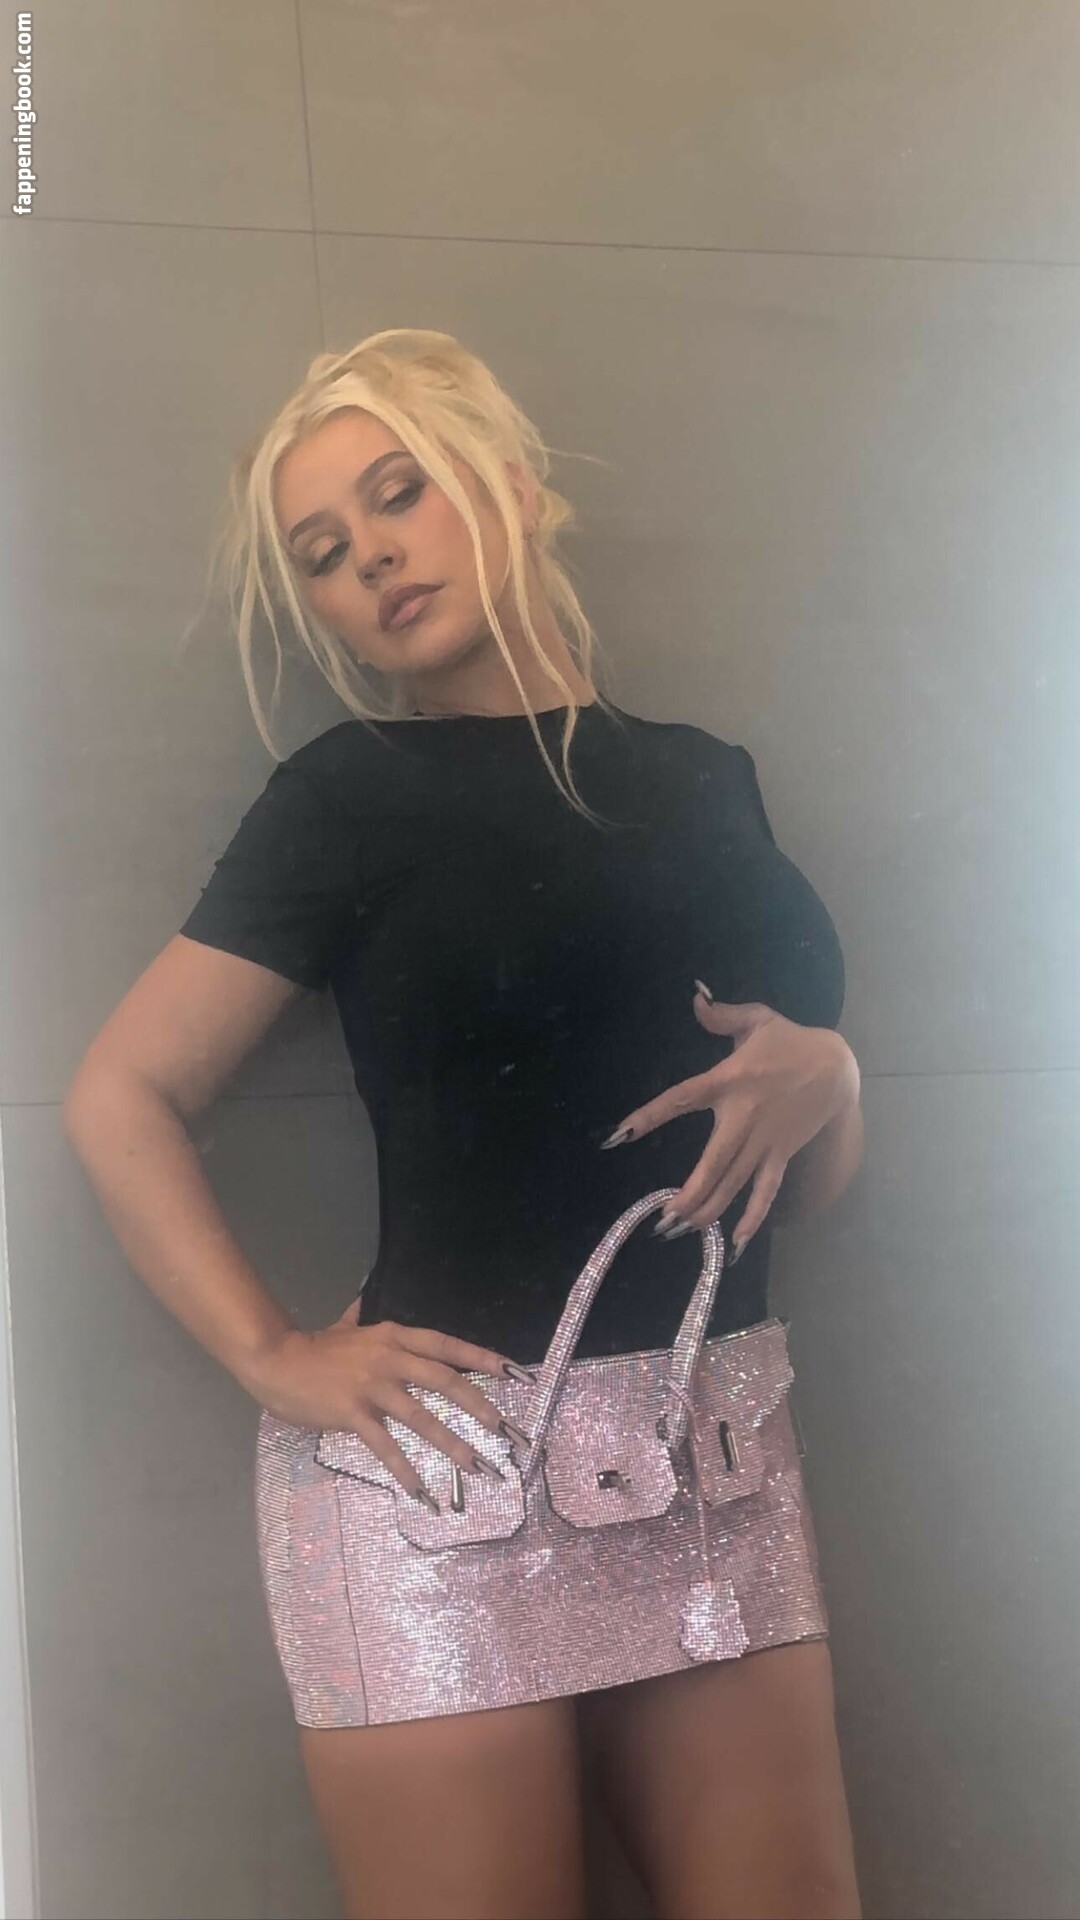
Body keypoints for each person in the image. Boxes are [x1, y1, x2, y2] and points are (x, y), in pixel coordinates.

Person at [63, 329, 865, 1920]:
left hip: (717, 1460)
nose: (369, 558)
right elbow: (119, 1098)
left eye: (397, 494)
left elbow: (808, 1186)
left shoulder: (710, 782)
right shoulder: (347, 798)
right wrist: (270, 1354)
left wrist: (835, 1075)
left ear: (507, 481)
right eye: (323, 553)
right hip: (437, 1488)